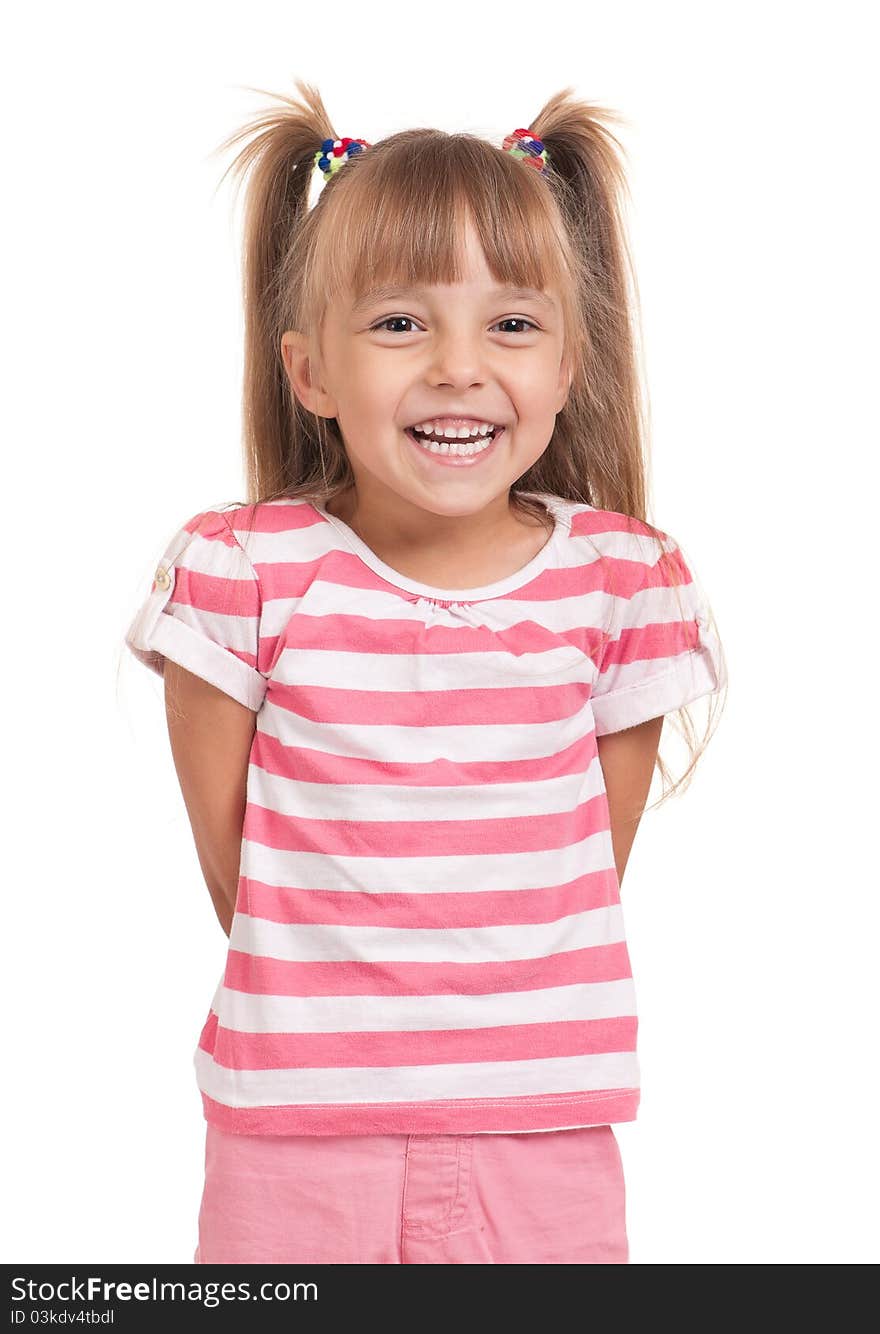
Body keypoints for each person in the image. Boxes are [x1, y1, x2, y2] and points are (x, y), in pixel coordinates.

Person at [124, 79, 727, 1265]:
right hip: (290, 1143)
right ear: (310, 373)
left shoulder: (621, 581)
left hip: (541, 1134)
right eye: (399, 324)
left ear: (566, 365)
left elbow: (582, 870)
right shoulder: (242, 571)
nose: (457, 366)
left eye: (510, 324)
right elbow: (239, 872)